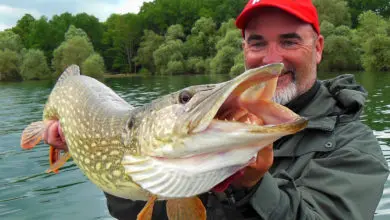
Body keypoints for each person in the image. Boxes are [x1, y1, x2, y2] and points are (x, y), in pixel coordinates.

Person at [44, 0, 389, 219]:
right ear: (244, 49)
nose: (271, 60)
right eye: (257, 42)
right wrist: (95, 147)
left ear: (318, 48)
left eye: (289, 41)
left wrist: (253, 186)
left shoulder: (354, 146)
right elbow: (134, 211)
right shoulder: (208, 128)